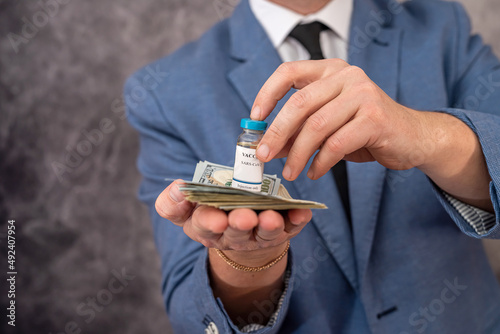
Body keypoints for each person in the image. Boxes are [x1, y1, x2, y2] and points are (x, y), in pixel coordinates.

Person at [125, 0, 500, 332]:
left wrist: (424, 134)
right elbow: (192, 315)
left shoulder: (441, 26)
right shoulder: (167, 92)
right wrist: (248, 262)